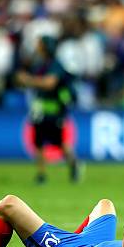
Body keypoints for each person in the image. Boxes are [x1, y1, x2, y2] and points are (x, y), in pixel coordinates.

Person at [16, 36, 79, 184]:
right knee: (38, 142)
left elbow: (49, 83)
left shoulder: (56, 65)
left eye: (40, 45)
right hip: (39, 109)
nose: (37, 48)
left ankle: (74, 164)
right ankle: (41, 174)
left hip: (55, 110)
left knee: (60, 142)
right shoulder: (40, 64)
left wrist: (28, 80)